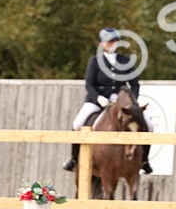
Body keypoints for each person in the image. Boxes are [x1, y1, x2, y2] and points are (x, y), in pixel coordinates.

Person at [62, 27, 154, 174]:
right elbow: (89, 84)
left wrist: (132, 102)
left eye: (115, 41)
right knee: (77, 123)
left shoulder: (126, 61)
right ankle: (73, 159)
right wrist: (98, 98)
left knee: (149, 124)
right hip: (98, 99)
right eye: (109, 41)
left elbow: (135, 84)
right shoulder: (95, 61)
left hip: (120, 101)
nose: (112, 44)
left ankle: (145, 161)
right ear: (102, 44)